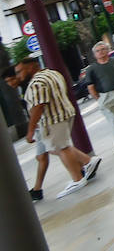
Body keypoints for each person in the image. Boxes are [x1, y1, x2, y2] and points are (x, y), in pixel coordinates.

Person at [16, 57, 101, 199]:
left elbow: (38, 106)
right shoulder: (53, 73)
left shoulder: (36, 82)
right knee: (58, 148)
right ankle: (88, 161)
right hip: (65, 113)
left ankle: (77, 179)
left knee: (62, 148)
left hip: (53, 119)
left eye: (20, 71)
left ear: (31, 67)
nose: (18, 75)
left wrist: (30, 130)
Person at [3, 67, 49, 199]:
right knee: (44, 155)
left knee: (53, 150)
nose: (11, 83)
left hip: (42, 124)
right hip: (41, 125)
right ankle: (37, 189)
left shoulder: (28, 86)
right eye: (8, 81)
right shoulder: (22, 88)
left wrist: (31, 129)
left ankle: (85, 163)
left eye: (12, 79)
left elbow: (37, 107)